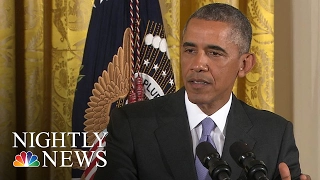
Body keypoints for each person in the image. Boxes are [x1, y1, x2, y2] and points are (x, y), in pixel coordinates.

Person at [94, 3, 310, 180]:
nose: (197, 64)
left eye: (214, 53)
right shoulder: (132, 124)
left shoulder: (275, 134)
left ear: (244, 64)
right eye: (190, 50)